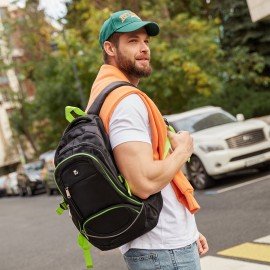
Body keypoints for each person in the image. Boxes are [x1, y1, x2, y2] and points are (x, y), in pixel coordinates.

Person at [86, 10, 209, 270]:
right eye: (132, 41)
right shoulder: (125, 102)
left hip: (165, 244)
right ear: (109, 47)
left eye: (146, 41)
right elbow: (142, 182)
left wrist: (188, 231)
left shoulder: (104, 96)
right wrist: (183, 150)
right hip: (164, 251)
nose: (143, 48)